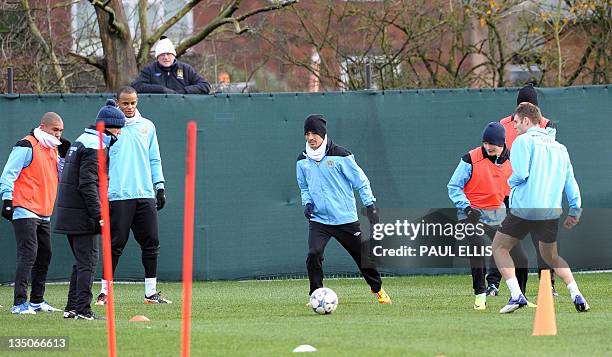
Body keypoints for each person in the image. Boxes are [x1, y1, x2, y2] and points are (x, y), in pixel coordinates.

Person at [492, 102, 589, 314]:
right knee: (551, 257)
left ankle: (517, 295)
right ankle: (577, 294)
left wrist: (509, 183)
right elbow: (570, 183)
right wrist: (575, 209)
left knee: (499, 248)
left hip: (524, 209)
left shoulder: (522, 141)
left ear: (527, 120)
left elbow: (520, 174)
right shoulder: (560, 147)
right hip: (550, 211)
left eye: (516, 122)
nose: (514, 127)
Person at [296, 114, 392, 304]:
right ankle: (316, 295)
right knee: (313, 254)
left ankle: (378, 289)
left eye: (314, 133)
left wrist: (370, 205)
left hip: (345, 219)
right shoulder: (302, 160)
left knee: (363, 256)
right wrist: (307, 203)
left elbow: (361, 182)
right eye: (307, 134)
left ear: (323, 134)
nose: (310, 138)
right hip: (319, 220)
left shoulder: (341, 155)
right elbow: (304, 187)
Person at [96, 86, 170, 305]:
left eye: (133, 103)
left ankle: (150, 293)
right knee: (115, 244)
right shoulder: (108, 130)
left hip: (145, 194)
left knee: (151, 242)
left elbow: (154, 159)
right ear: (117, 103)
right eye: (125, 103)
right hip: (118, 196)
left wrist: (160, 186)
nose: (129, 107)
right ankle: (105, 293)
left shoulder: (148, 126)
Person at [54, 99, 125, 321]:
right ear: (109, 126)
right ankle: (83, 310)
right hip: (82, 215)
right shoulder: (95, 145)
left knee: (81, 262)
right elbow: (87, 184)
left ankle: (72, 308)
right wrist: (99, 215)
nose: (119, 134)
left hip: (70, 213)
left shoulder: (81, 140)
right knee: (88, 262)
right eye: (118, 129)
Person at [448, 122, 529, 310]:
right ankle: (480, 294)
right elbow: (453, 186)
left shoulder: (512, 161)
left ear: (502, 145)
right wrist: (467, 208)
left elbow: (512, 191)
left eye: (491, 146)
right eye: (485, 144)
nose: (487, 148)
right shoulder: (470, 159)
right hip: (470, 214)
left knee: (521, 257)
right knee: (477, 247)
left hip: (497, 214)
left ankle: (521, 297)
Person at [0, 112, 70, 314]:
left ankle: (37, 301)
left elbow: (60, 176)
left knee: (45, 255)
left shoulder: (53, 149)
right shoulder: (26, 144)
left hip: (44, 211)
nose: (58, 134)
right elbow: (8, 174)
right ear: (43, 126)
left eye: (61, 131)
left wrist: (64, 156)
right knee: (28, 253)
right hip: (24, 208)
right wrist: (7, 199)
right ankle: (19, 303)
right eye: (55, 130)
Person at [491, 84, 558, 296]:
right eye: (522, 104)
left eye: (529, 104)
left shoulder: (547, 125)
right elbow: (496, 157)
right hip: (509, 195)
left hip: (536, 196)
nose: (525, 108)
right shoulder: (503, 124)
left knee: (543, 243)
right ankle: (493, 283)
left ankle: (548, 284)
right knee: (502, 242)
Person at [131, 36, 211, 94]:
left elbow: (205, 86)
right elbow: (136, 86)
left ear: (174, 55)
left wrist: (184, 91)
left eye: (168, 54)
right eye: (162, 54)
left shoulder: (186, 69)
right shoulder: (149, 70)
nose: (166, 57)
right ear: (157, 57)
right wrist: (161, 90)